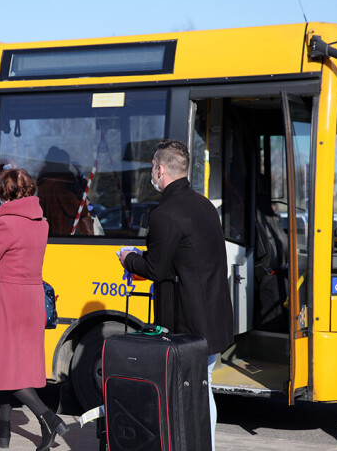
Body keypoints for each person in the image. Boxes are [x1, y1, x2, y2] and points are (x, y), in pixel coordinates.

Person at [118, 139, 233, 451]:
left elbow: (155, 268)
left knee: (190, 393)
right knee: (201, 389)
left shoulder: (165, 213)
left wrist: (128, 257)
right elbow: (187, 261)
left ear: (160, 169)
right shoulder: (204, 204)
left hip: (189, 323)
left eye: (153, 170)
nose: (153, 176)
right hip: (214, 316)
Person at [0, 168, 68, 451]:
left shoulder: (6, 224)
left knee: (7, 368)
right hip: (31, 298)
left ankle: (48, 418)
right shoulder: (40, 222)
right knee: (10, 366)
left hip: (8, 301)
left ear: (4, 194)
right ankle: (4, 430)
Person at [36, 146, 93, 236]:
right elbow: (79, 210)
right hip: (67, 235)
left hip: (51, 235)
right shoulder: (62, 185)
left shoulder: (44, 183)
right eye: (67, 162)